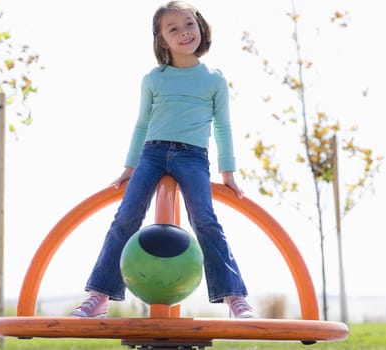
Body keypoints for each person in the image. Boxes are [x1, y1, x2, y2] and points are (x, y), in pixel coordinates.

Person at [70, 1, 255, 319]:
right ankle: (98, 296)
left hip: (193, 158)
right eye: (174, 29)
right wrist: (129, 166)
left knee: (206, 220)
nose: (184, 32)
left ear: (200, 26)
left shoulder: (213, 80)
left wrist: (229, 171)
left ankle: (234, 297)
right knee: (125, 217)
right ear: (161, 40)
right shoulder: (154, 79)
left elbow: (223, 125)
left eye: (189, 24)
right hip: (152, 154)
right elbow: (141, 124)